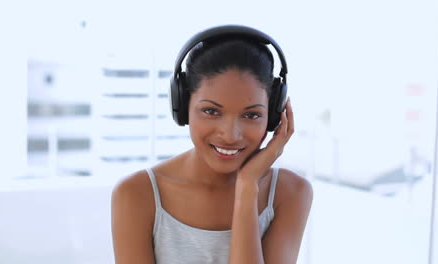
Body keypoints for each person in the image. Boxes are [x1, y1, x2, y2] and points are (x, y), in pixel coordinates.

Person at [111, 25, 313, 264]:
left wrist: (247, 188)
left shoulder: (290, 193)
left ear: (273, 116)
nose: (230, 134)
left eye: (251, 115)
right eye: (211, 111)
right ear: (182, 106)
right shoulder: (136, 195)